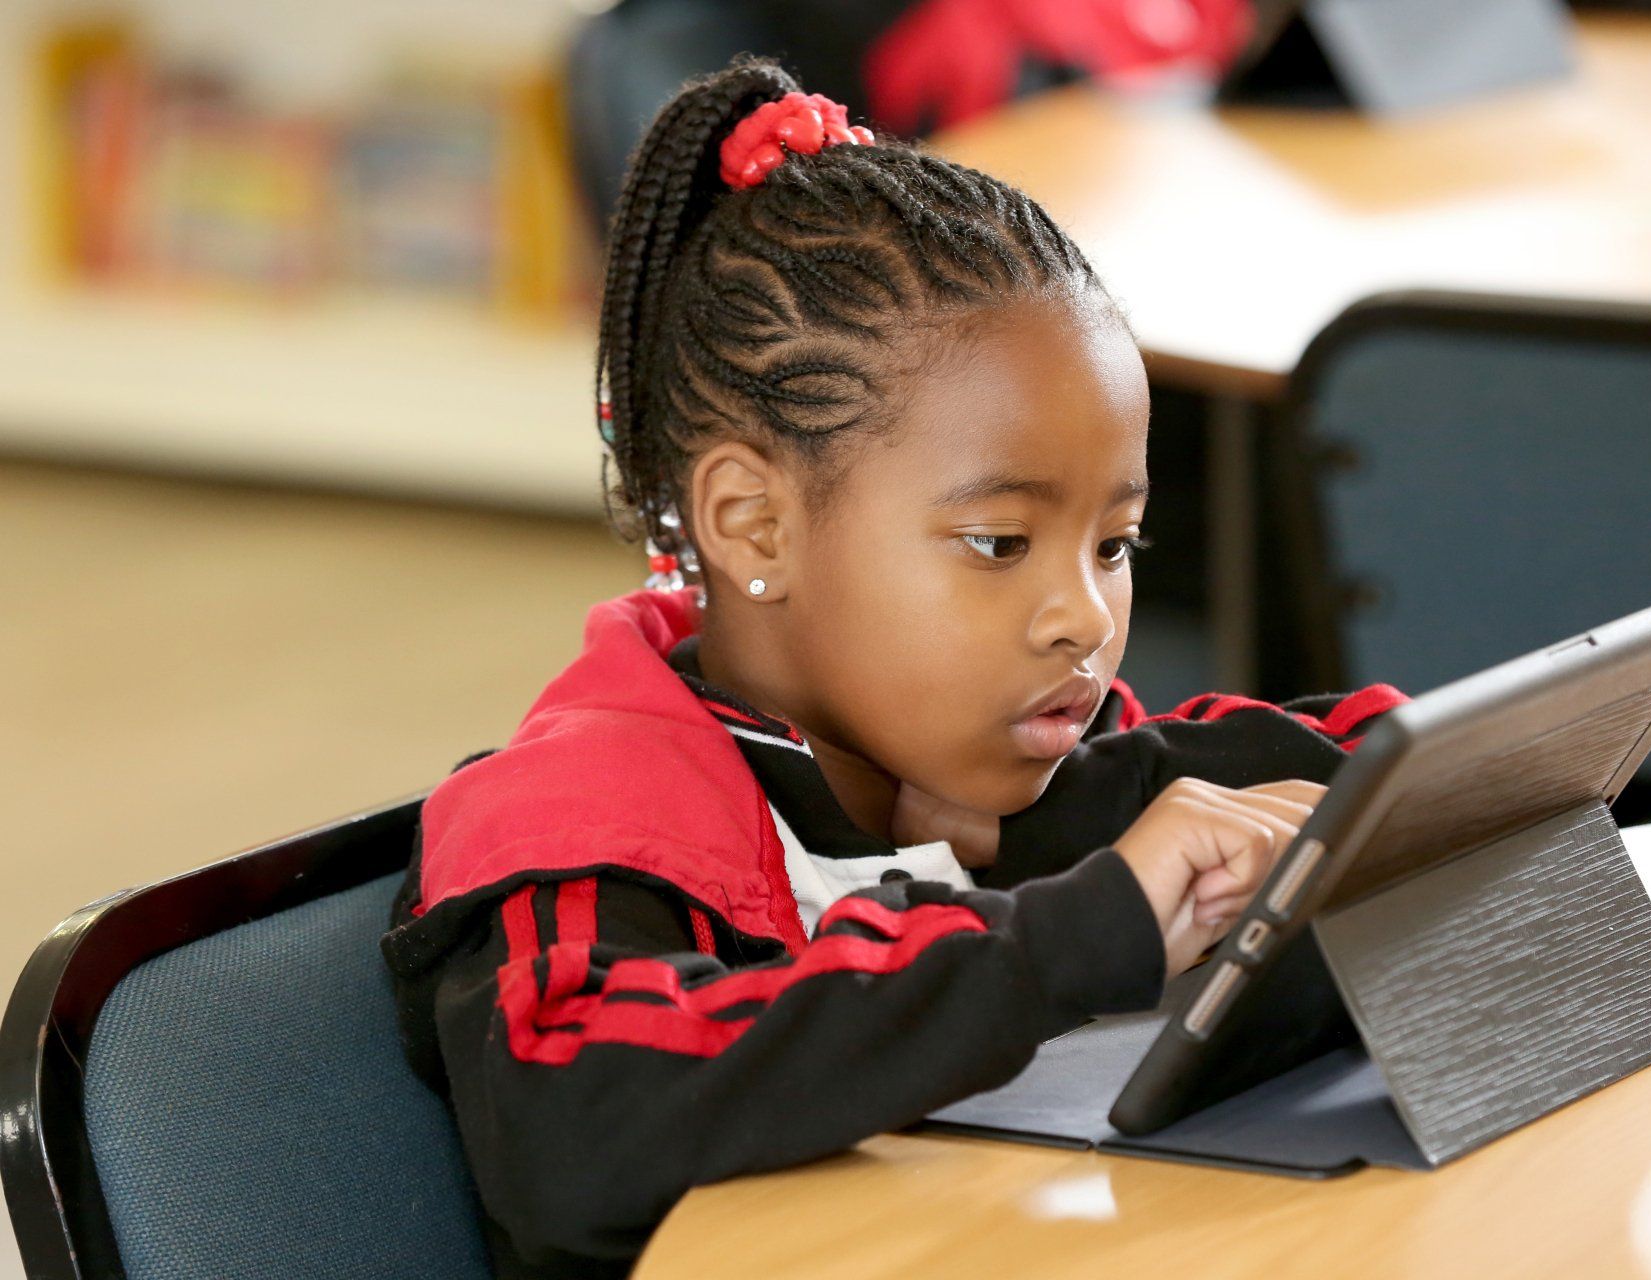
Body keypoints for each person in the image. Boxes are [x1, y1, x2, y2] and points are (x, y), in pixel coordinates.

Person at [382, 55, 1406, 1280]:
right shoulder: (577, 823)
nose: (1081, 614)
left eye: (1114, 543)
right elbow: (581, 1117)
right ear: (755, 525)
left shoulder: (958, 741)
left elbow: (1321, 749)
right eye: (1000, 543)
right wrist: (1065, 935)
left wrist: (1409, 785)